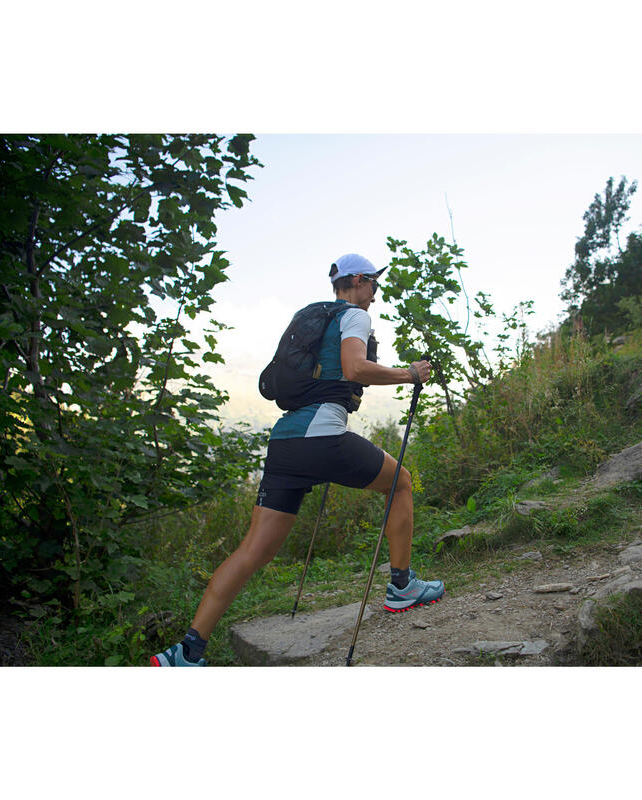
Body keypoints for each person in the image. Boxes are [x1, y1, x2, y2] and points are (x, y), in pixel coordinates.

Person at [151, 253, 445, 666]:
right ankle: (401, 587)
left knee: (253, 550)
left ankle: (186, 652)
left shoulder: (316, 317)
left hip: (286, 443)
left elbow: (335, 374)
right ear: (358, 281)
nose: (375, 296)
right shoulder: (355, 316)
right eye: (374, 286)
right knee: (401, 482)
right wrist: (409, 374)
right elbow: (355, 367)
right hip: (321, 438)